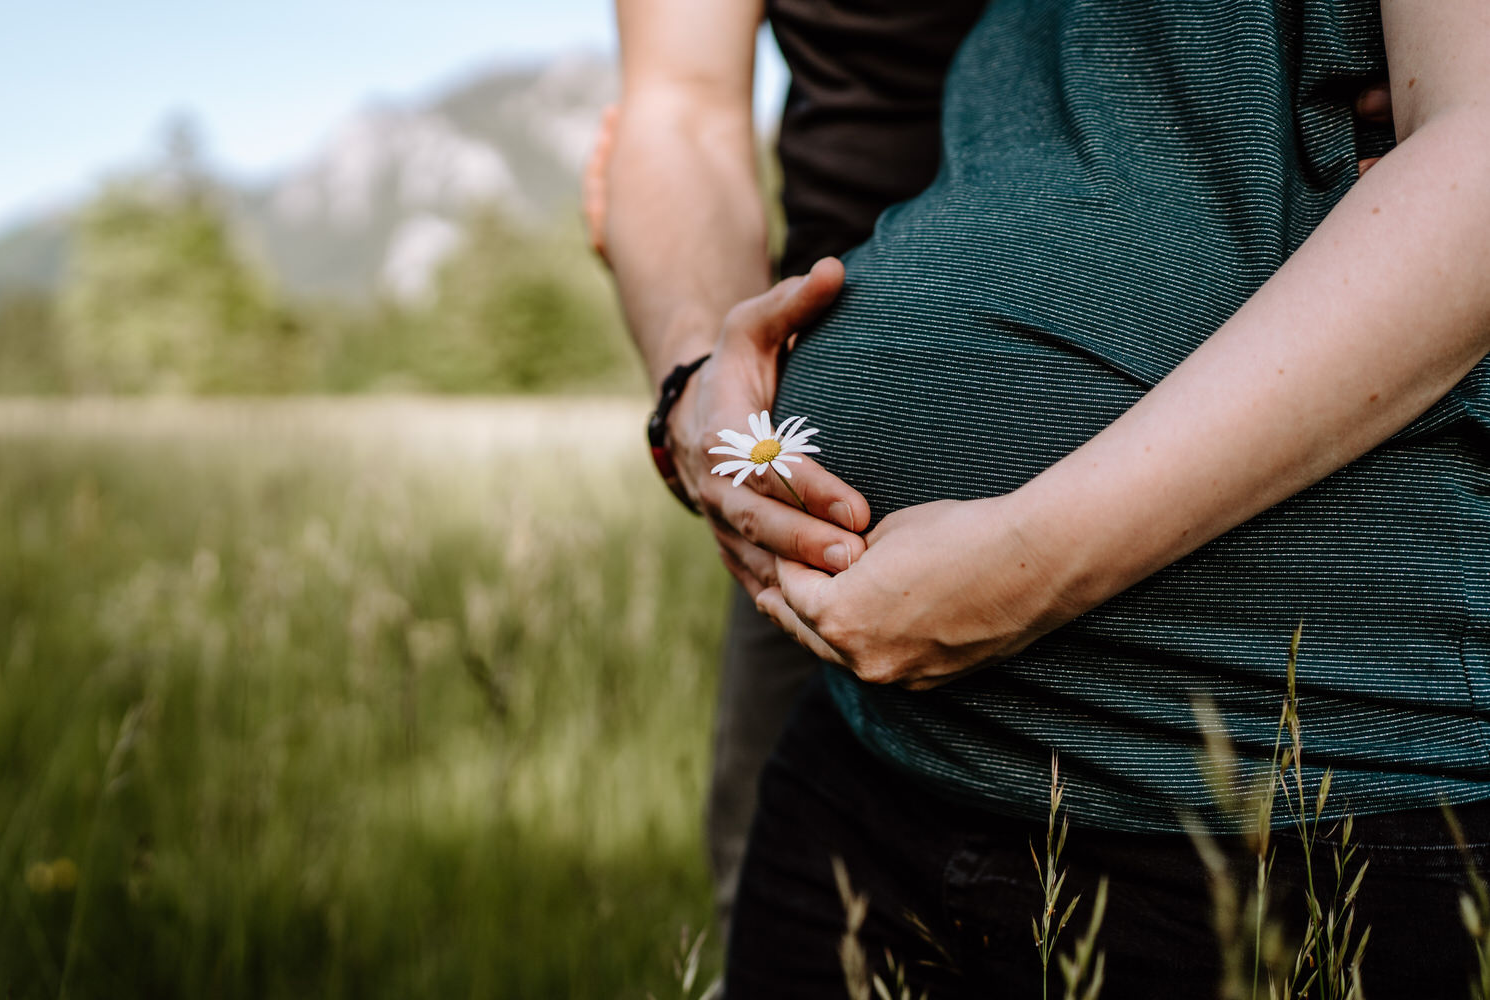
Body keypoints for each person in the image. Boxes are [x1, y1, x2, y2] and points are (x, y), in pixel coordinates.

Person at [702, 0, 1490, 997]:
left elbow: (1477, 162)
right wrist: (693, 400)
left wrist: (1025, 567)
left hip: (1294, 792)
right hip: (876, 760)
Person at [588, 0, 986, 937]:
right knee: (785, 920)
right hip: (812, 508)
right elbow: (680, 106)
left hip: (1276, 512)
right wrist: (694, 393)